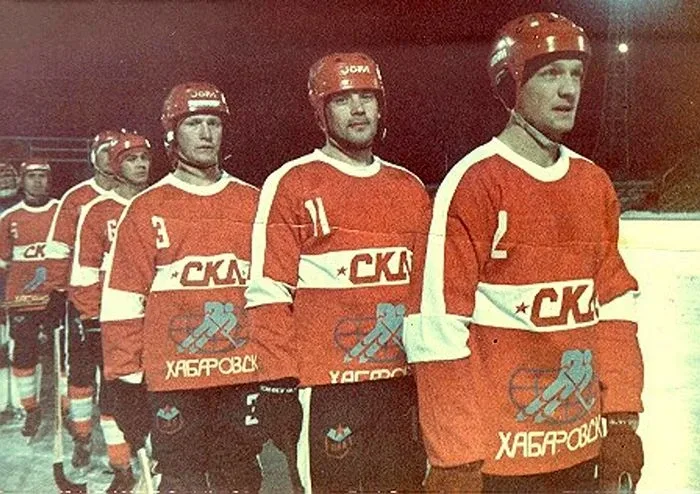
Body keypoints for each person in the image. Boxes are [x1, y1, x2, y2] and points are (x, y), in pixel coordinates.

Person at [403, 12, 644, 493]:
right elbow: (436, 327)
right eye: (550, 73)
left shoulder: (593, 183)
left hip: (582, 449)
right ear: (509, 84)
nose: (569, 90)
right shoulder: (475, 182)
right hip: (500, 464)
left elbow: (615, 309)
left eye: (576, 74)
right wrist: (456, 461)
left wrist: (620, 420)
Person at [245, 52, 430, 493]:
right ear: (321, 111)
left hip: (400, 386)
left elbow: (427, 293)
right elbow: (268, 293)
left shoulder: (409, 187)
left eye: (368, 97)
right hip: (327, 390)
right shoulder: (292, 182)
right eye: (343, 100)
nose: (359, 109)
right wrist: (277, 382)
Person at [101, 82, 267, 492]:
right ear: (173, 134)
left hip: (240, 376)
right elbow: (123, 303)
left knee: (241, 479)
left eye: (214, 123)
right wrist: (125, 383)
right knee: (181, 482)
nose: (206, 134)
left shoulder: (254, 202)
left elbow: (272, 294)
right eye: (194, 124)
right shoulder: (145, 208)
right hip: (174, 381)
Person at [69, 131, 151, 489]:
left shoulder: (158, 202)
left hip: (155, 318)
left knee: (156, 391)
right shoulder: (97, 211)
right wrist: (91, 317)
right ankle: (122, 467)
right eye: (131, 159)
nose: (141, 165)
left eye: (144, 158)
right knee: (115, 392)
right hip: (113, 320)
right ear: (116, 165)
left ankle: (158, 462)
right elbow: (83, 272)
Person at [45, 129, 119, 465]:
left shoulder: (137, 197)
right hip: (83, 301)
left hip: (122, 302)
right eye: (104, 151)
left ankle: (125, 444)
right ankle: (83, 436)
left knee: (119, 376)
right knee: (81, 371)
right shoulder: (76, 198)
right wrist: (57, 291)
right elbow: (58, 249)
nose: (110, 157)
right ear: (93, 156)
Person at [0, 160, 59, 439]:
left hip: (57, 297)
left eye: (42, 176)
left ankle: (67, 410)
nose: (38, 181)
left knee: (64, 358)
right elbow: (2, 262)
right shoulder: (8, 217)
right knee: (23, 355)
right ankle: (31, 409)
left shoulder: (62, 211)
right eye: (32, 176)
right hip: (22, 299)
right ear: (22, 181)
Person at [0, 163, 21, 423]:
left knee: (17, 348)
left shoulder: (25, 209)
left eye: (9, 176)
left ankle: (19, 403)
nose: (5, 181)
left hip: (18, 290)